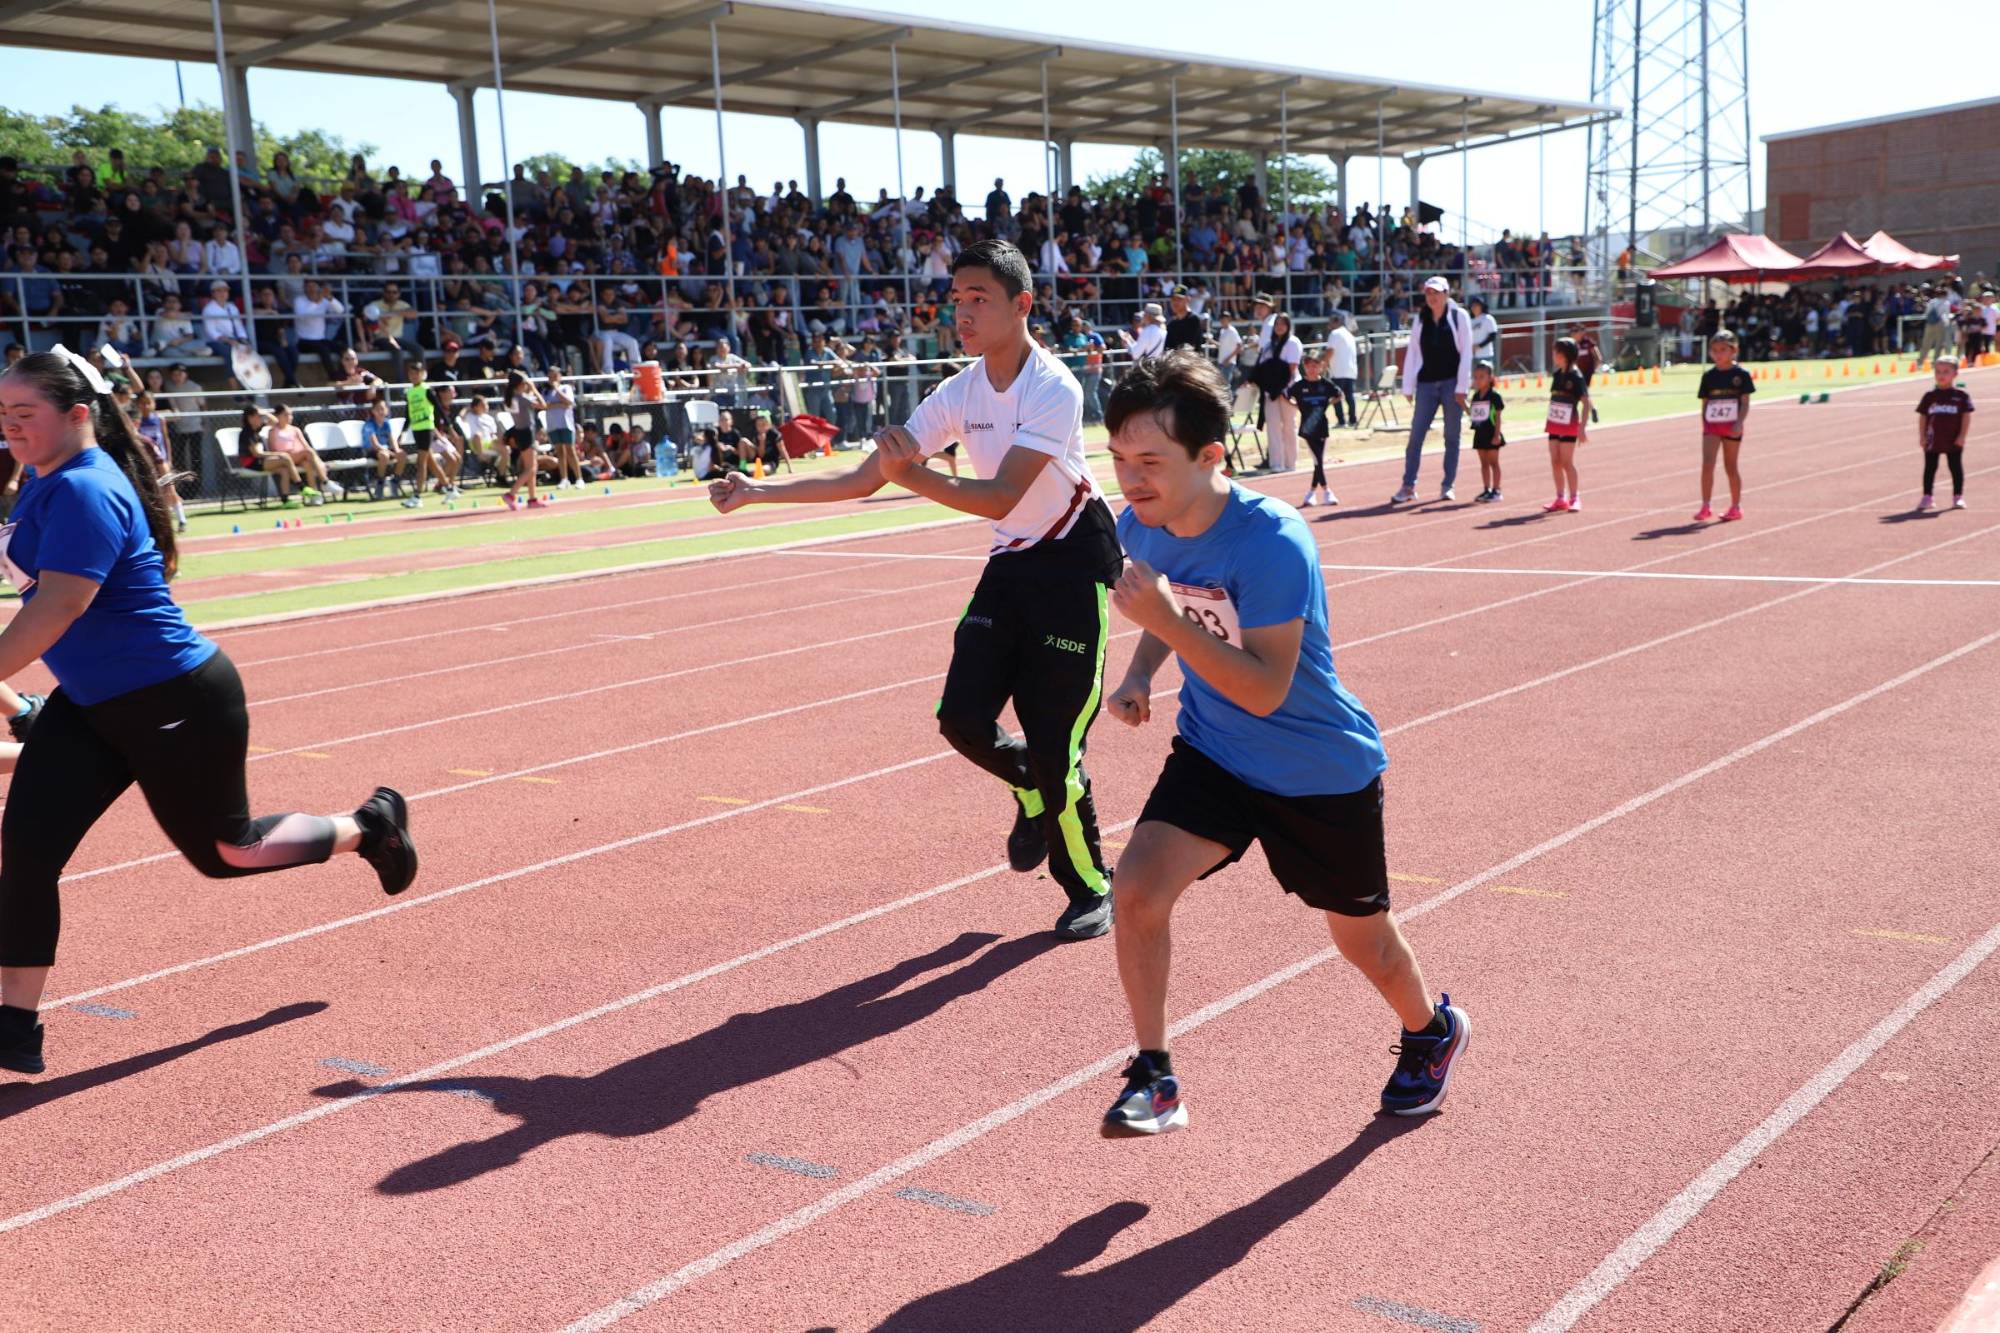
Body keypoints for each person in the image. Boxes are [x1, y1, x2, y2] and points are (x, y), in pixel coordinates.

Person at [0, 349, 417, 1077]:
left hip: (175, 699)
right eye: (2, 415)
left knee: (231, 853)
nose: (9, 428)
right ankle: (13, 1026)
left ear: (76, 416)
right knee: (27, 851)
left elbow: (61, 605)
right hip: (92, 704)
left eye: (23, 415)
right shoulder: (42, 482)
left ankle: (368, 827)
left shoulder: (87, 490)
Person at [1096, 350, 1468, 1135]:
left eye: (1151, 461)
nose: (1130, 480)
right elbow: (1180, 603)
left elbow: (1264, 686)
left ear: (1210, 457)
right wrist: (1140, 669)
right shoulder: (1143, 524)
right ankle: (1155, 1075)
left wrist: (1160, 623)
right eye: (1120, 458)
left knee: (1364, 943)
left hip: (1314, 766)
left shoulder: (1272, 541)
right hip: (1215, 752)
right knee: (1135, 889)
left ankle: (1431, 1031)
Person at [707, 239, 1122, 940]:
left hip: (1073, 566)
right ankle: (1029, 786)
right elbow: (863, 477)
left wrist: (913, 476)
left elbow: (998, 495)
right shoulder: (959, 390)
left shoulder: (1053, 385)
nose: (961, 312)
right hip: (1013, 565)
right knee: (961, 717)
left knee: (1059, 747)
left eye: (978, 299)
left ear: (1022, 305)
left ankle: (1088, 884)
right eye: (955, 299)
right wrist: (758, 493)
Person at [1392, 276, 1473, 504]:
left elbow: (1466, 353)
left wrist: (1461, 387)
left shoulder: (1459, 317)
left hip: (1451, 384)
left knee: (1451, 437)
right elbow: (1413, 352)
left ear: (1447, 294)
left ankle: (1448, 485)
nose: (1432, 297)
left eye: (1436, 293)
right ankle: (1408, 486)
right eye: (1428, 293)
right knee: (1416, 436)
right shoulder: (1421, 319)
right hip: (1426, 384)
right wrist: (1407, 385)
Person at [1693, 330, 1754, 523]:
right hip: (1712, 426)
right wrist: (1705, 425)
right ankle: (1705, 505)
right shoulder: (1709, 376)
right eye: (1715, 350)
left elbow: (1745, 402)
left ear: (1733, 351)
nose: (1718, 354)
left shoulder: (1741, 375)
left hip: (1732, 426)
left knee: (1730, 466)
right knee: (1707, 464)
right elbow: (1704, 403)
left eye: (1723, 350)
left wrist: (1739, 422)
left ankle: (1735, 506)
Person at [1914, 354, 1973, 511]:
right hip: (1933, 439)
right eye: (1938, 372)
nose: (1941, 375)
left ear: (1955, 374)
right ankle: (1927, 496)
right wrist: (1922, 436)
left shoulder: (1961, 397)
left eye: (1946, 371)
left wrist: (1962, 436)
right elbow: (1923, 417)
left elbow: (1966, 417)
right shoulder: (1929, 396)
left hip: (1953, 439)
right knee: (1930, 467)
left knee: (1955, 467)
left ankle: (1958, 496)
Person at [1285, 354, 1339, 508]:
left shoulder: (1326, 384)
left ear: (1321, 367)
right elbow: (1286, 395)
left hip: (1322, 425)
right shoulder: (1299, 385)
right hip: (1307, 427)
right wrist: (1297, 406)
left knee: (1318, 462)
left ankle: (1311, 493)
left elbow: (1338, 395)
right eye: (1309, 366)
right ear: (1305, 368)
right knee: (1318, 460)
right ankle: (1327, 491)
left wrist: (1327, 404)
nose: (1312, 369)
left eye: (1315, 366)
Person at [1543, 337, 1590, 513]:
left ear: (1565, 355)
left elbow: (1586, 403)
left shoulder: (1576, 377)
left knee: (1566, 462)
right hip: (1554, 423)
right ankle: (1560, 498)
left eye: (1556, 352)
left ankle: (1574, 497)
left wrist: (1582, 428)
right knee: (1555, 461)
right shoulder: (1557, 375)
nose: (1553, 355)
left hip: (1569, 424)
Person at [1251, 313, 1302, 472]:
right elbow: (1262, 366)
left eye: (1283, 324)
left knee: (1289, 426)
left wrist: (1283, 388)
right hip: (1270, 391)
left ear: (1288, 326)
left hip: (1288, 390)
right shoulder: (1268, 344)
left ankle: (1290, 463)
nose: (1279, 327)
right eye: (1277, 324)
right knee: (1273, 427)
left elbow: (1292, 368)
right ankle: (1276, 463)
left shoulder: (1293, 342)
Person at [133, 390, 188, 533]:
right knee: (150, 491)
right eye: (142, 403)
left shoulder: (159, 419)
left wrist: (169, 458)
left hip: (160, 459)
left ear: (153, 403)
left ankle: (182, 520)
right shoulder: (137, 422)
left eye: (148, 403)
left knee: (170, 488)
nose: (145, 406)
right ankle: (159, 522)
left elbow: (165, 438)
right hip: (145, 462)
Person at [263, 403, 340, 503]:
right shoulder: (273, 431)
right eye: (286, 415)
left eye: (291, 414)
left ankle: (314, 496)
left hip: (298, 456)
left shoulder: (295, 429)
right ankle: (325, 482)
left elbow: (306, 446)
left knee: (308, 464)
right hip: (284, 458)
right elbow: (273, 450)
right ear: (278, 416)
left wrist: (318, 462)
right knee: (308, 453)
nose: (289, 417)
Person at [233, 404, 304, 507]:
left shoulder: (256, 429)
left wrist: (264, 412)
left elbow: (275, 422)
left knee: (284, 470)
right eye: (258, 416)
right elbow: (257, 454)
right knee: (285, 458)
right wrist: (279, 454)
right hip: (252, 463)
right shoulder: (246, 433)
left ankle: (285, 501)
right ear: (250, 418)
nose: (261, 418)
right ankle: (301, 487)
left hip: (260, 461)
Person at [501, 370, 549, 510]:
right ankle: (511, 494)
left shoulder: (511, 398)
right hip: (527, 432)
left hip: (519, 432)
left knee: (532, 468)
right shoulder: (522, 398)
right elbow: (543, 405)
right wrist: (533, 388)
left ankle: (532, 498)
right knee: (530, 468)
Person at [1468, 360, 1505, 503]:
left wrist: (1497, 435)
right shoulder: (1476, 396)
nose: (1478, 380)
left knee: (1493, 463)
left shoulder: (1495, 397)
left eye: (1481, 376)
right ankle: (1486, 489)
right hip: (1479, 433)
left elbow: (1498, 417)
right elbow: (1473, 414)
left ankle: (1496, 490)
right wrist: (1462, 403)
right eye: (1475, 377)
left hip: (1491, 433)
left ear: (1490, 378)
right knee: (1483, 464)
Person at [360, 398, 407, 501]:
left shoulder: (386, 423)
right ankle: (380, 484)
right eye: (378, 409)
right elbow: (375, 444)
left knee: (402, 454)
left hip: (385, 449)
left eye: (383, 408)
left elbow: (392, 439)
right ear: (373, 411)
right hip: (371, 450)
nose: (381, 411)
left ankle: (395, 481)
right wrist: (392, 454)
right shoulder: (369, 425)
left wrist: (397, 450)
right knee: (384, 455)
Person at [543, 366, 581, 489]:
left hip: (566, 424)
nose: (552, 379)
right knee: (559, 452)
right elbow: (545, 405)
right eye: (550, 376)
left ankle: (579, 478)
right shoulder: (545, 391)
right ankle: (564, 479)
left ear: (560, 377)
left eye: (554, 376)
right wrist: (558, 404)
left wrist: (556, 390)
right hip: (553, 425)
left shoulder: (566, 388)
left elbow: (569, 403)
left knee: (570, 450)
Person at [1324, 313, 1359, 429]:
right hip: (1350, 370)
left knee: (1336, 396)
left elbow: (1330, 351)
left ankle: (1341, 421)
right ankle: (1353, 420)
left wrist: (1323, 365)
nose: (1329, 326)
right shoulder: (1349, 335)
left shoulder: (1335, 334)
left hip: (1338, 370)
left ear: (1335, 322)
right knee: (1350, 397)